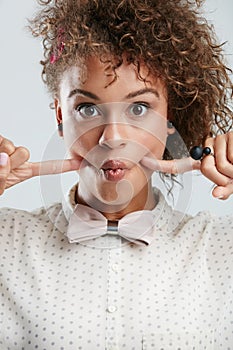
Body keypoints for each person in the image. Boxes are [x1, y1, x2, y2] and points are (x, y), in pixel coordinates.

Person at [0, 0, 233, 349]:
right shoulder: (8, 240)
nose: (112, 138)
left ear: (170, 118)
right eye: (87, 108)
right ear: (60, 118)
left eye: (139, 108)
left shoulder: (219, 246)